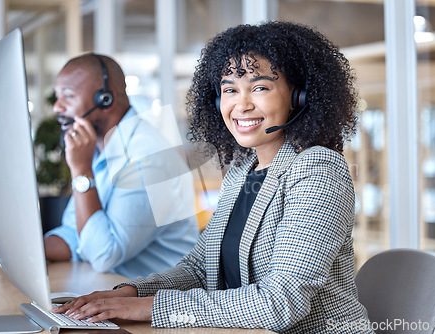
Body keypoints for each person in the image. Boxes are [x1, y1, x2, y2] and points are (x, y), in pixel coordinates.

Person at [52, 22, 374, 333]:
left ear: (298, 96)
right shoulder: (242, 173)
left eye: (260, 87)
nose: (241, 104)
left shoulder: (318, 169)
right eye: (229, 89)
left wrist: (151, 308)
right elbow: (198, 268)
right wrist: (129, 293)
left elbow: (280, 303)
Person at [44, 53, 199, 279]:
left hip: (156, 302)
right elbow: (75, 234)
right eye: (58, 97)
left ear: (105, 99)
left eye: (68, 96)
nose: (58, 107)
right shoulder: (100, 151)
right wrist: (20, 250)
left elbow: (104, 254)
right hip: (111, 288)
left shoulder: (148, 156)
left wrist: (81, 173)